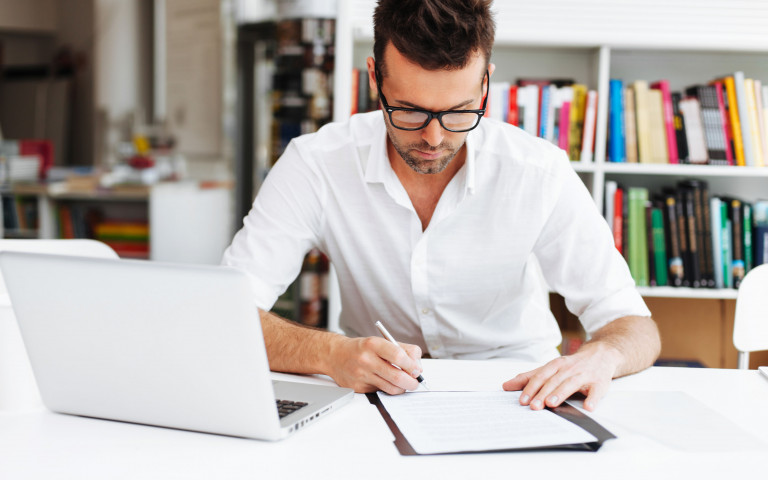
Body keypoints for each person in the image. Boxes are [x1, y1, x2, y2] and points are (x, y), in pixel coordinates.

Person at [222, 0, 660, 411]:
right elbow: (225, 311)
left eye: (458, 112)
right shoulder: (316, 165)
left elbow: (633, 324)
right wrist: (330, 353)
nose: (434, 138)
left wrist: (603, 356)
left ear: (486, 83)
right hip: (374, 397)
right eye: (410, 112)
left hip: (518, 394)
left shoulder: (538, 171)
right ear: (375, 78)